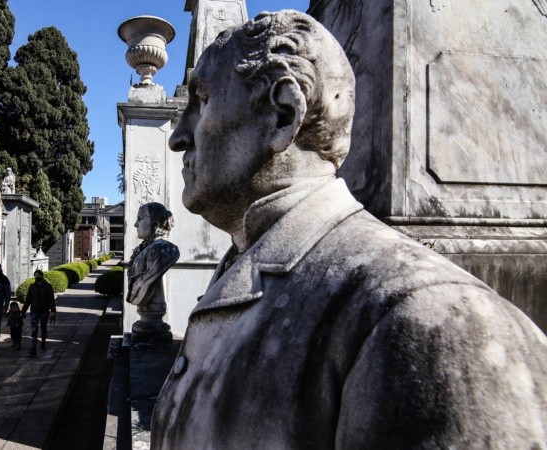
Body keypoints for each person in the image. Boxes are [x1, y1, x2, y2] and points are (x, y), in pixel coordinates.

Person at [152, 10, 547, 449]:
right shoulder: (245, 264)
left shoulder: (434, 325)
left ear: (283, 115)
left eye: (202, 101)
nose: (178, 137)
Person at [126, 202, 180, 339]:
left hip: (154, 309)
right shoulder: (145, 249)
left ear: (155, 224)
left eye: (140, 219)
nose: (135, 224)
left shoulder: (163, 250)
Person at [22, 269, 56, 356]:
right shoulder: (32, 286)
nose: (37, 277)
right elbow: (28, 300)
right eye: (35, 276)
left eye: (38, 275)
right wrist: (23, 311)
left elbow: (51, 300)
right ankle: (33, 348)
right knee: (34, 329)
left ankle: (43, 341)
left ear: (42, 276)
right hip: (34, 310)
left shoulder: (48, 286)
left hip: (44, 310)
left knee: (43, 327)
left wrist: (53, 311)